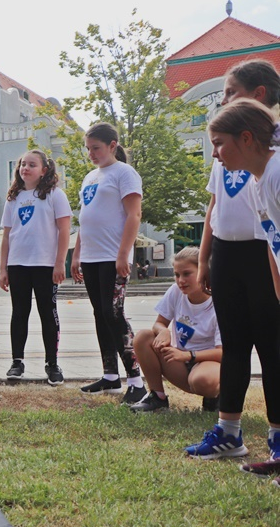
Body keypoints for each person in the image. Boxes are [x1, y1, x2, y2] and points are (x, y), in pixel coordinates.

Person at [195, 60, 280, 471]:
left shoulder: (269, 151)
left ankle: (277, 438)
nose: (224, 98)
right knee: (235, 346)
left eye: (230, 91)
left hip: (263, 253)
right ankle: (228, 431)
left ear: (258, 93)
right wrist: (205, 257)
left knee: (272, 345)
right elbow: (214, 206)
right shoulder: (225, 145)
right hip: (228, 254)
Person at [71, 122, 146, 404]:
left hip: (113, 256)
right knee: (100, 314)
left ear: (113, 145)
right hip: (91, 257)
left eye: (96, 148)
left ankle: (136, 380)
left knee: (113, 313)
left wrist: (123, 254)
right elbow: (85, 218)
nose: (91, 153)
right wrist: (77, 253)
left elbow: (133, 215)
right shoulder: (90, 177)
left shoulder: (125, 174)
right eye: (88, 149)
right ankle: (111, 376)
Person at [0, 150, 71, 386]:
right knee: (19, 313)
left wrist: (60, 263)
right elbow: (7, 236)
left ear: (44, 170)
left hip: (44, 265)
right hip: (18, 264)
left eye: (32, 164)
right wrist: (3, 268)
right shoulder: (14, 198)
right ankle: (16, 362)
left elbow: (63, 231)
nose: (25, 168)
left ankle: (52, 363)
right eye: (22, 164)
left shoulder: (54, 195)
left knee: (47, 313)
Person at [130, 247, 221, 413]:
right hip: (181, 361)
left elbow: (224, 353)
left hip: (208, 363)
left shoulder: (220, 304)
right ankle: (157, 397)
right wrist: (164, 331)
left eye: (187, 274)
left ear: (204, 271)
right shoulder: (176, 291)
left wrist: (188, 355)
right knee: (143, 337)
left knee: (202, 380)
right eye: (177, 274)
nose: (180, 280)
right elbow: (158, 324)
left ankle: (215, 397)